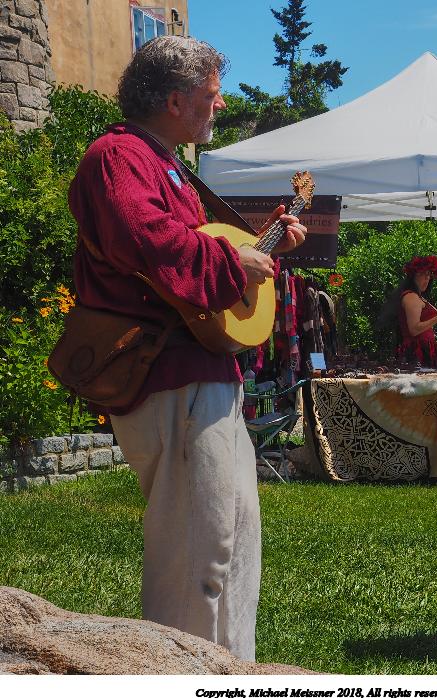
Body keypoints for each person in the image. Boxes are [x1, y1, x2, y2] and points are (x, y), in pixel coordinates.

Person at [67, 36, 307, 661]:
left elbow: (188, 244)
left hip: (198, 370)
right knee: (195, 551)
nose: (220, 106)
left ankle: (229, 670)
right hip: (167, 373)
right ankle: (178, 671)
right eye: (210, 95)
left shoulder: (159, 159)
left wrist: (257, 250)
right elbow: (149, 241)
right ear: (174, 101)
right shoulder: (118, 156)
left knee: (230, 537)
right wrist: (232, 260)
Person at [396, 255, 437, 367]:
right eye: (423, 274)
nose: (427, 278)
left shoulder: (420, 298)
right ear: (414, 275)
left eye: (429, 274)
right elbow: (414, 329)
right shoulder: (411, 297)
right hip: (416, 351)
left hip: (427, 350)